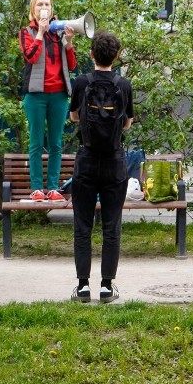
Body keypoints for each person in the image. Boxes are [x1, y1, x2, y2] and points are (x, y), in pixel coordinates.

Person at [68, 31, 134, 303]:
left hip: (86, 160)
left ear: (91, 54)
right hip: (114, 162)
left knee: (82, 225)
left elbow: (73, 117)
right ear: (116, 56)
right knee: (111, 225)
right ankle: (107, 286)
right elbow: (128, 122)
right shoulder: (124, 84)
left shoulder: (82, 82)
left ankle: (83, 286)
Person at [20, 0, 77, 202]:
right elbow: (31, 56)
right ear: (33, 10)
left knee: (56, 144)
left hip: (58, 95)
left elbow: (71, 65)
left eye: (47, 4)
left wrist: (69, 42)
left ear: (52, 10)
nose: (43, 8)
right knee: (35, 142)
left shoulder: (60, 31)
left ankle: (53, 187)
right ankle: (36, 188)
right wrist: (39, 33)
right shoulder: (26, 31)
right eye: (39, 4)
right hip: (35, 96)